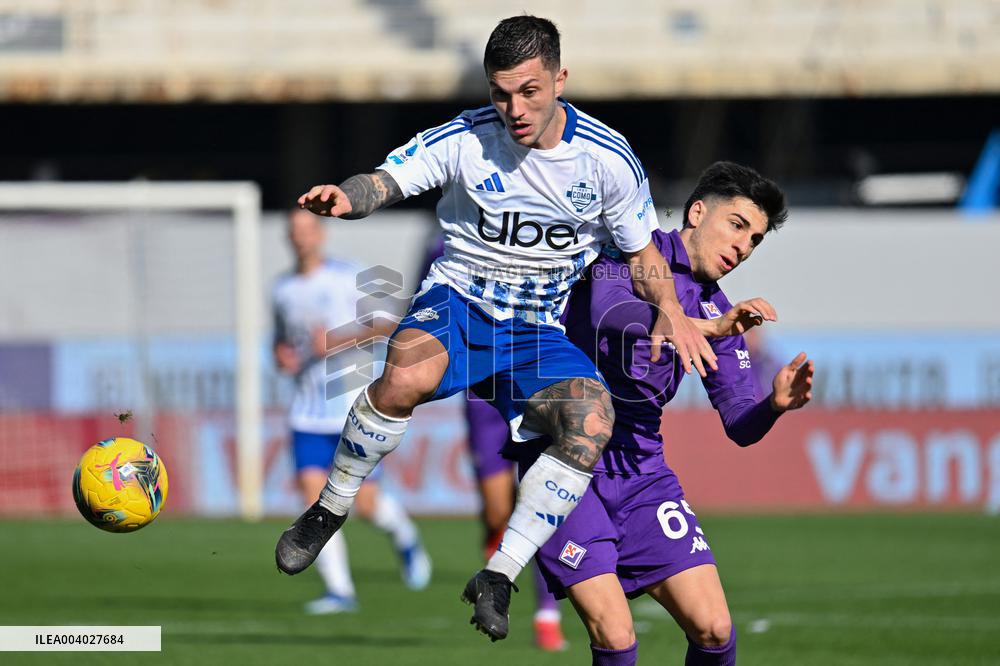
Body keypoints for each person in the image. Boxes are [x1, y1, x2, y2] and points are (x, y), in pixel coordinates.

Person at [275, 15, 719, 642]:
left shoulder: (609, 162)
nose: (514, 107)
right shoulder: (466, 138)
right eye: (500, 92)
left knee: (591, 415)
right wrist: (348, 199)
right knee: (406, 375)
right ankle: (328, 510)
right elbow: (385, 179)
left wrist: (671, 310)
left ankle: (499, 576)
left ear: (560, 80)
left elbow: (643, 255)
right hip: (459, 301)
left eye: (529, 91)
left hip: (536, 331)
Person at [504, 161, 813, 665]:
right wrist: (699, 327)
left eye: (754, 240)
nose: (743, 247)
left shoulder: (718, 308)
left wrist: (774, 406)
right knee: (616, 636)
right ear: (697, 212)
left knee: (714, 629)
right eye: (736, 226)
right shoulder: (628, 249)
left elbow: (738, 422)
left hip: (643, 475)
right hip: (565, 460)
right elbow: (609, 313)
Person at [272, 208, 432, 614]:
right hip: (306, 412)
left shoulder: (347, 276)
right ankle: (340, 591)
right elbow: (279, 341)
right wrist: (283, 356)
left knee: (365, 505)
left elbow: (388, 324)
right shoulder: (282, 288)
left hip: (349, 407)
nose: (301, 237)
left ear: (320, 234)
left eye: (307, 229)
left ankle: (405, 538)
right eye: (294, 231)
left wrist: (338, 339)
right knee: (315, 502)